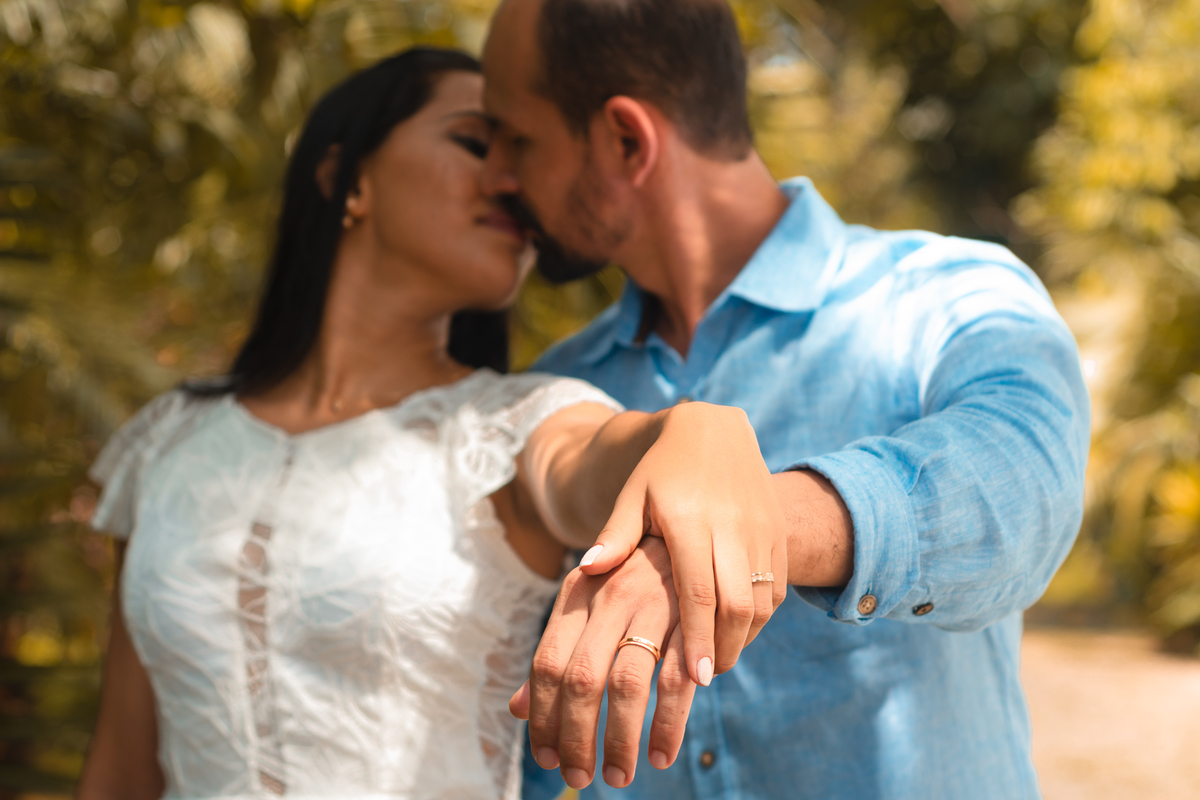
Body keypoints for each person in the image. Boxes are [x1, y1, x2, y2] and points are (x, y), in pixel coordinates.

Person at [75, 47, 790, 800]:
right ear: (345, 176)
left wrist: (686, 431)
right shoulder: (168, 440)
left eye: (521, 154)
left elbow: (589, 464)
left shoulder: (514, 425)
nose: (512, 181)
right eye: (476, 142)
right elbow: (121, 770)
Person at [478, 0, 1092, 796]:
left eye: (517, 139)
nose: (496, 175)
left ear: (627, 140)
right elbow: (521, 736)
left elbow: (1022, 491)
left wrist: (741, 527)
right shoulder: (562, 404)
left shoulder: (945, 296)